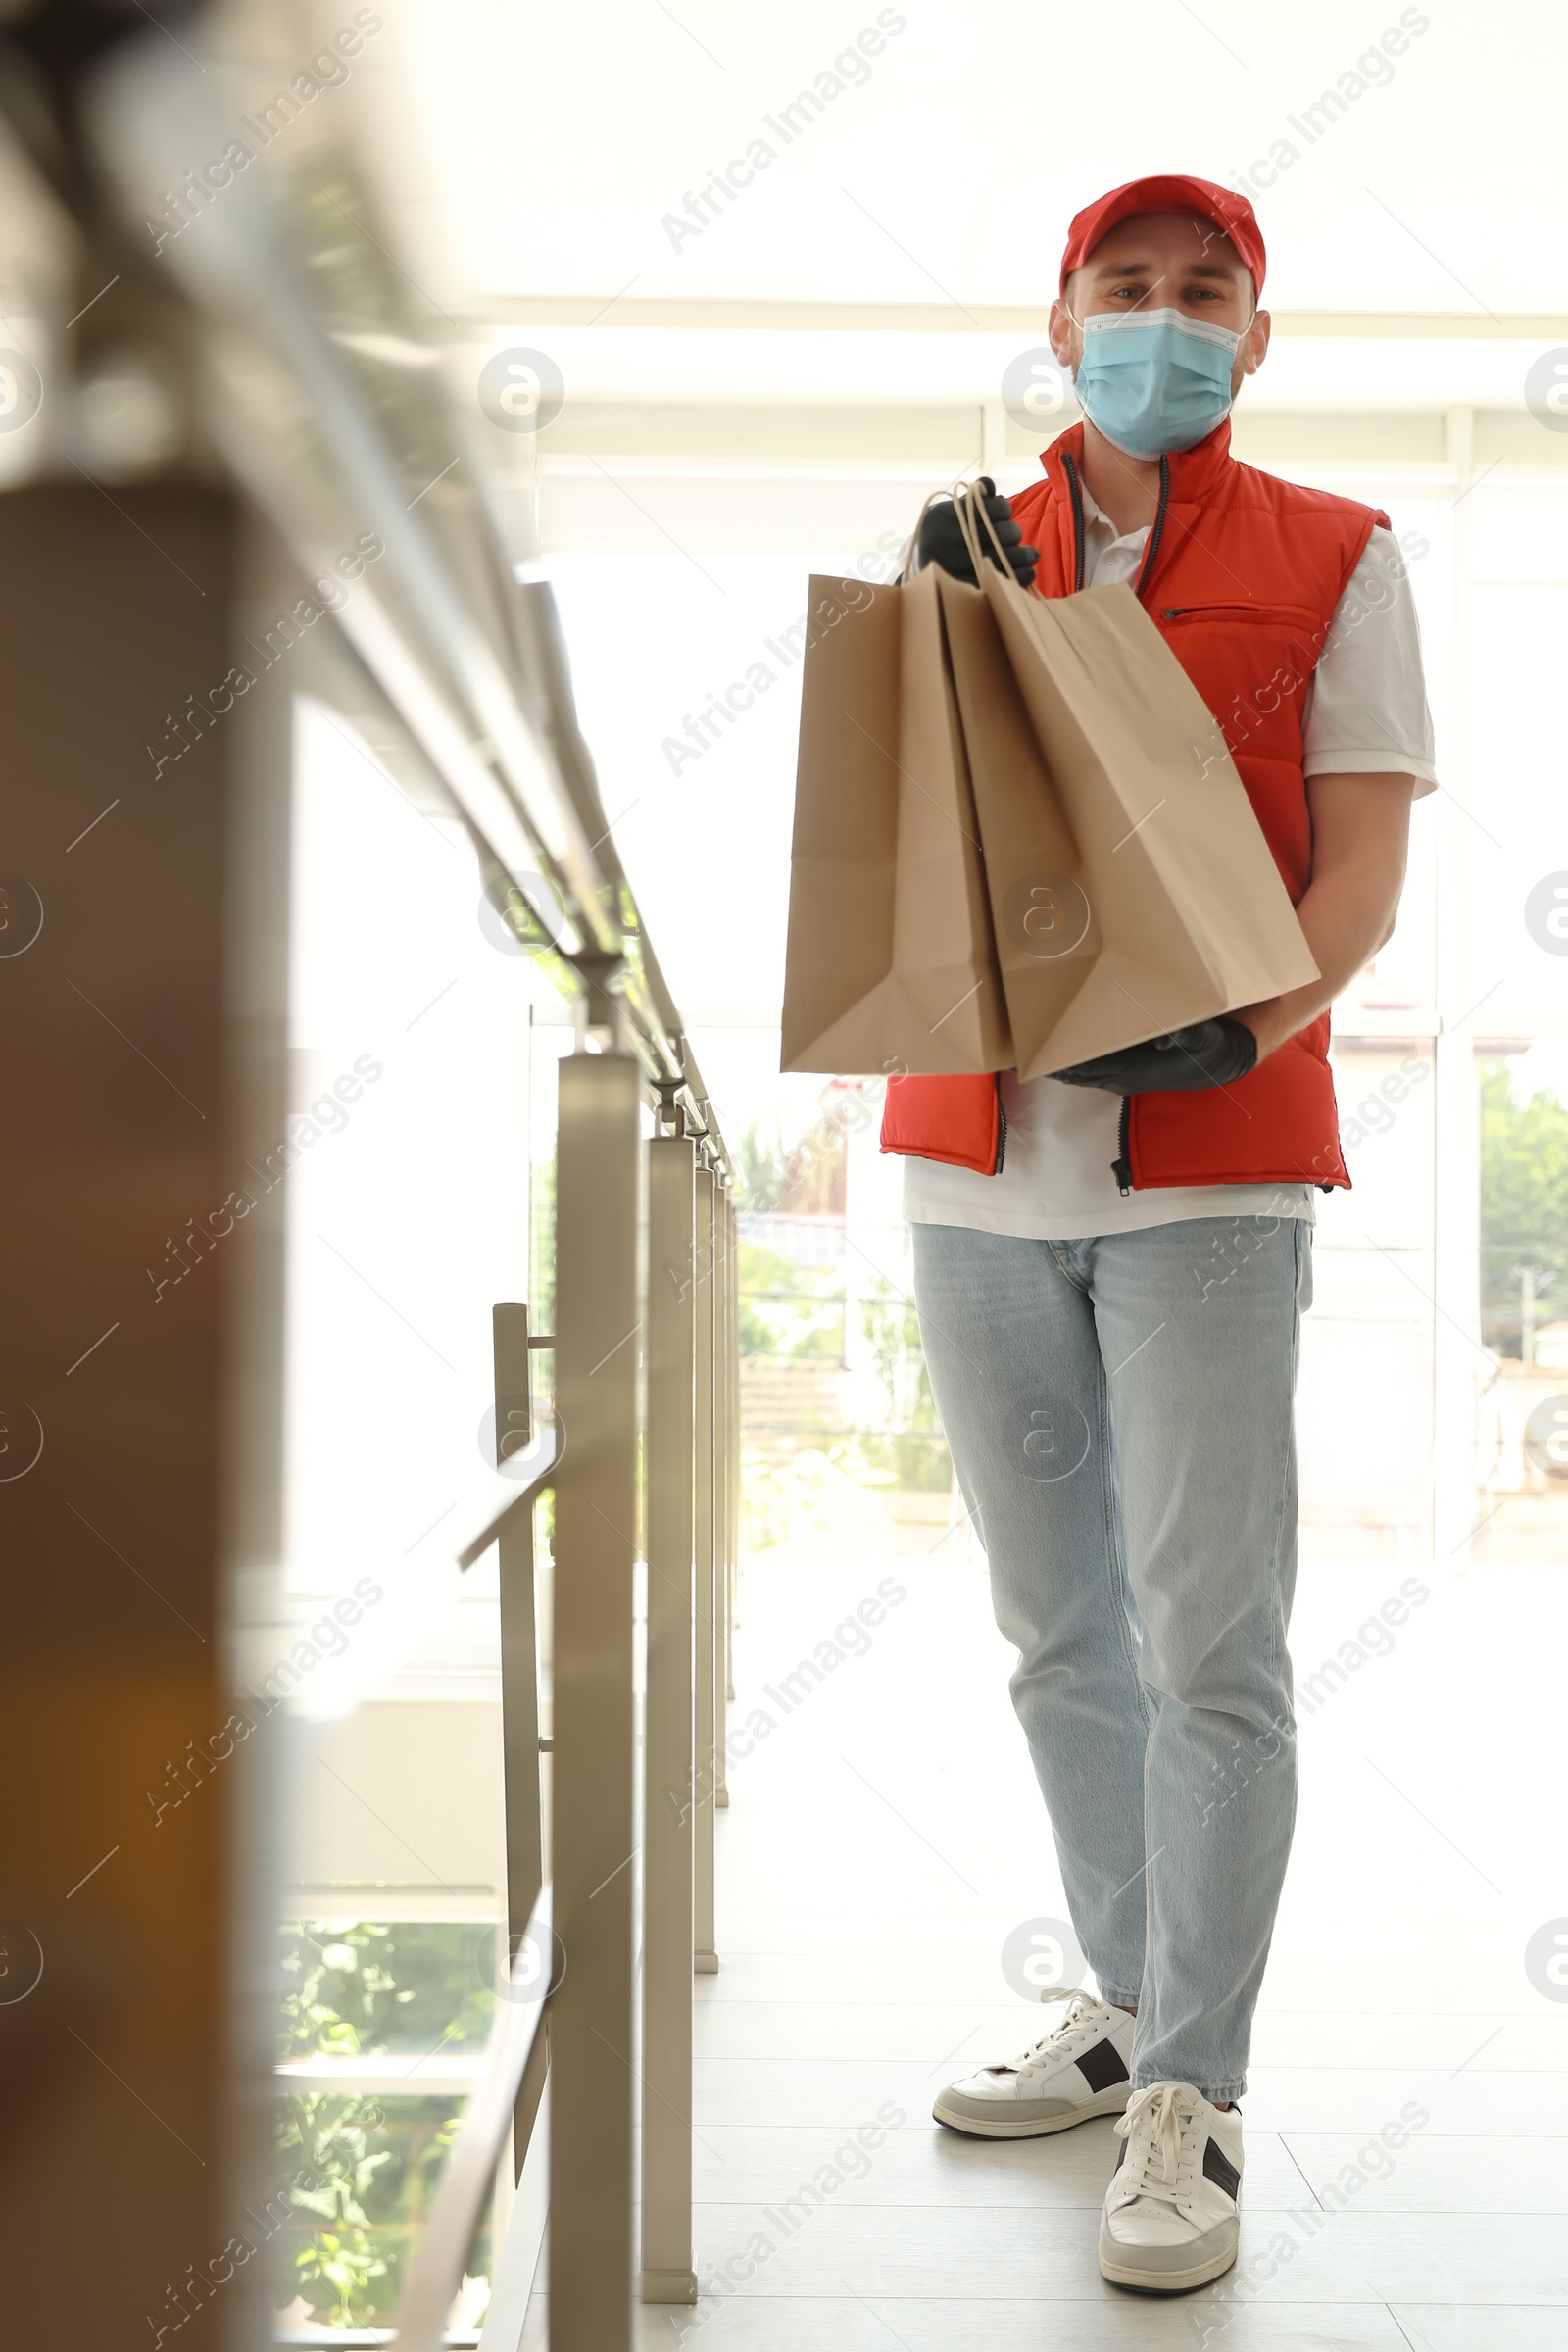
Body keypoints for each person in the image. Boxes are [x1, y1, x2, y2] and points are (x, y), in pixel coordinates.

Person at [882, 172, 1436, 2294]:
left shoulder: (1334, 555)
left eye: (1202, 294)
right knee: (1055, 1635)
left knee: (1210, 1638)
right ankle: (1121, 2009)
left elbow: (1356, 875)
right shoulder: (957, 548)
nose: (1160, 321)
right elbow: (902, 823)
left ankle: (1194, 2094)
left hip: (1206, 1167)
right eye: (1125, 288)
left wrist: (1212, 1030)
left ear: (1253, 342)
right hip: (971, 1166)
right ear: (1061, 315)